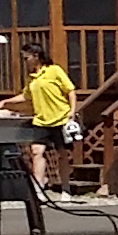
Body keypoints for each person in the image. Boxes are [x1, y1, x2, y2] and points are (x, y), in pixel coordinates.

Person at [20, 41, 77, 187]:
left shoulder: (54, 70)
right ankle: (39, 188)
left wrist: (72, 111)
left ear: (36, 56)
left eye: (26, 58)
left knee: (62, 154)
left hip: (60, 118)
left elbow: (70, 91)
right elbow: (25, 96)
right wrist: (4, 103)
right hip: (41, 121)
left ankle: (66, 188)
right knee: (36, 151)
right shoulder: (32, 78)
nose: (25, 62)